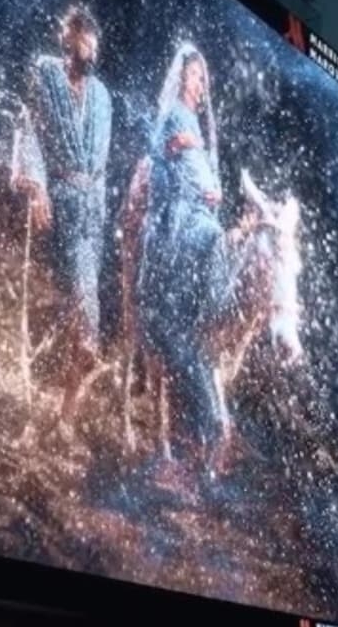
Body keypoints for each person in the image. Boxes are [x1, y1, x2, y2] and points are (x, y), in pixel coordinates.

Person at [11, 5, 113, 430]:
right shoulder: (45, 74)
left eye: (92, 40)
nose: (88, 47)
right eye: (80, 37)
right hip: (58, 200)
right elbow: (29, 130)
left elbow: (102, 165)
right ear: (66, 38)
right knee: (76, 303)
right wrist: (37, 187)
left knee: (86, 305)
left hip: (91, 213)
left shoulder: (103, 97)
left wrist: (99, 210)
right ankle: (52, 389)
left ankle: (67, 411)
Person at [135, 43, 233, 483]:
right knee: (214, 241)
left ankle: (212, 316)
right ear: (181, 78)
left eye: (202, 77)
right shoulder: (174, 114)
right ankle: (210, 313)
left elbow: (206, 177)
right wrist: (175, 145)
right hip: (177, 219)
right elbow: (159, 152)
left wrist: (213, 192)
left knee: (220, 238)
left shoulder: (200, 124)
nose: (200, 83)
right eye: (194, 76)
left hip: (198, 214)